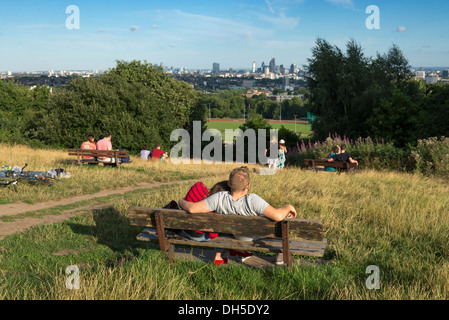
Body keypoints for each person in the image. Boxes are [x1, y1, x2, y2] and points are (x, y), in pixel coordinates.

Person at [178, 166, 297, 265]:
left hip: (238, 237)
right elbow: (278, 216)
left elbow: (192, 209)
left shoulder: (219, 198)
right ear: (248, 185)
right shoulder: (253, 200)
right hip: (256, 238)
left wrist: (181, 201)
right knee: (281, 223)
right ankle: (281, 254)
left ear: (229, 183)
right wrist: (288, 207)